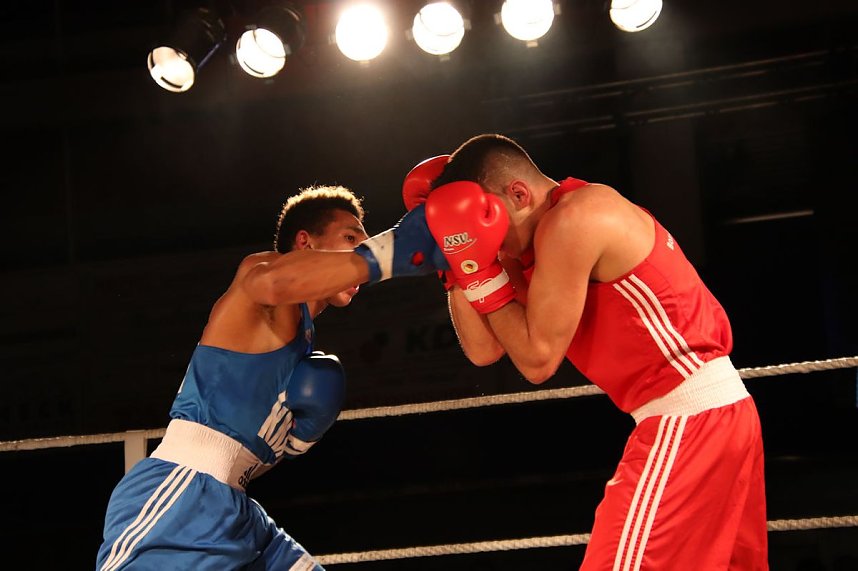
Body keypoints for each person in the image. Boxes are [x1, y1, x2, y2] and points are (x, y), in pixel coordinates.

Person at [418, 134, 768, 570]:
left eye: (486, 224)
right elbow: (484, 349)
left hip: (690, 418)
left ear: (519, 193)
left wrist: (475, 267)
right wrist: (456, 260)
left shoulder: (576, 219)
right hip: (706, 418)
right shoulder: (529, 238)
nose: (492, 243)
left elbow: (537, 360)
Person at [95, 183, 445, 571]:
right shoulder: (259, 279)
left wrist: (295, 442)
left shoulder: (304, 349)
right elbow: (274, 282)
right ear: (304, 242)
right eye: (350, 239)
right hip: (181, 498)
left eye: (364, 243)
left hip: (237, 510)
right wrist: (387, 252)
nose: (360, 250)